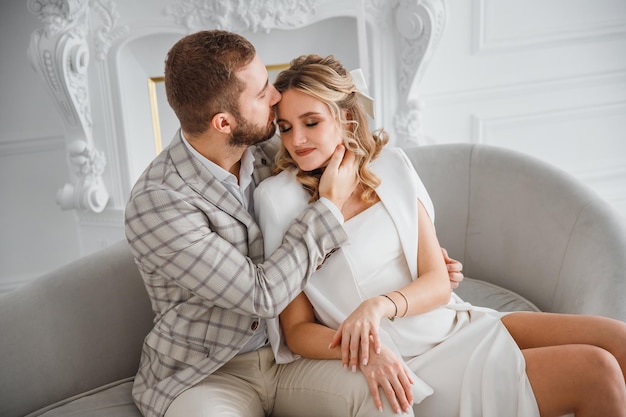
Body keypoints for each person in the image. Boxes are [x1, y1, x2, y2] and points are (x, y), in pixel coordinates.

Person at [254, 54, 626, 417]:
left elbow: (437, 282)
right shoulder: (279, 200)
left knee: (619, 341)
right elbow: (297, 331)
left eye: (311, 122)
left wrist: (378, 305)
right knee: (597, 371)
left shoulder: (391, 166)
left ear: (346, 118)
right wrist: (368, 349)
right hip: (412, 360)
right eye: (285, 127)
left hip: (453, 321)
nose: (297, 140)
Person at [124, 30, 463, 417]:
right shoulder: (158, 203)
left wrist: (415, 255)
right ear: (223, 122)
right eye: (262, 90)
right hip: (208, 374)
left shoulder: (276, 143)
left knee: (386, 397)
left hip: (294, 356)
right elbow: (262, 296)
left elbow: (353, 144)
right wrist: (329, 208)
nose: (275, 97)